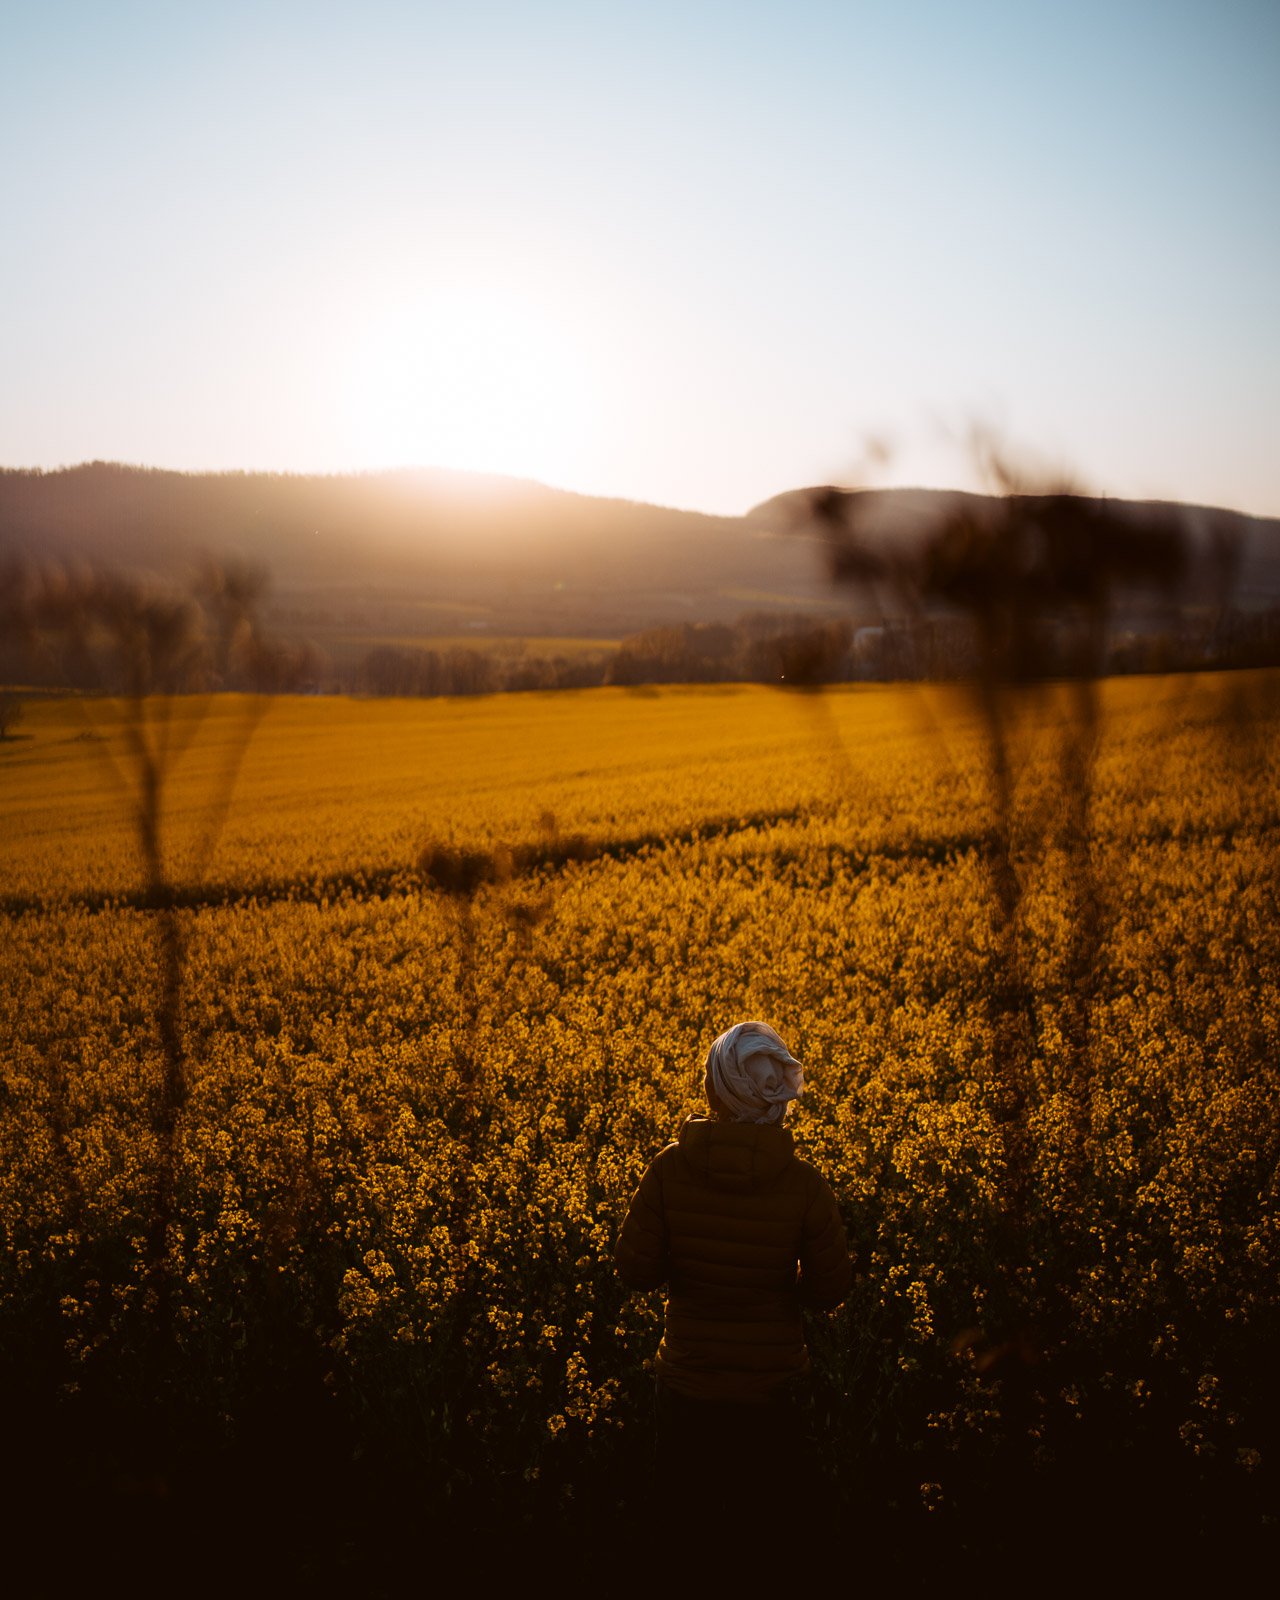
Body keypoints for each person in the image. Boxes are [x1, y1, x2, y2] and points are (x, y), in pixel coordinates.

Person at [614, 1021, 851, 1549]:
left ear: (714, 1087)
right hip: (773, 1391)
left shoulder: (667, 1171)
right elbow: (829, 1290)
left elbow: (635, 1272)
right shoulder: (805, 1184)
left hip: (687, 1387)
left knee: (687, 1536)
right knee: (765, 1538)